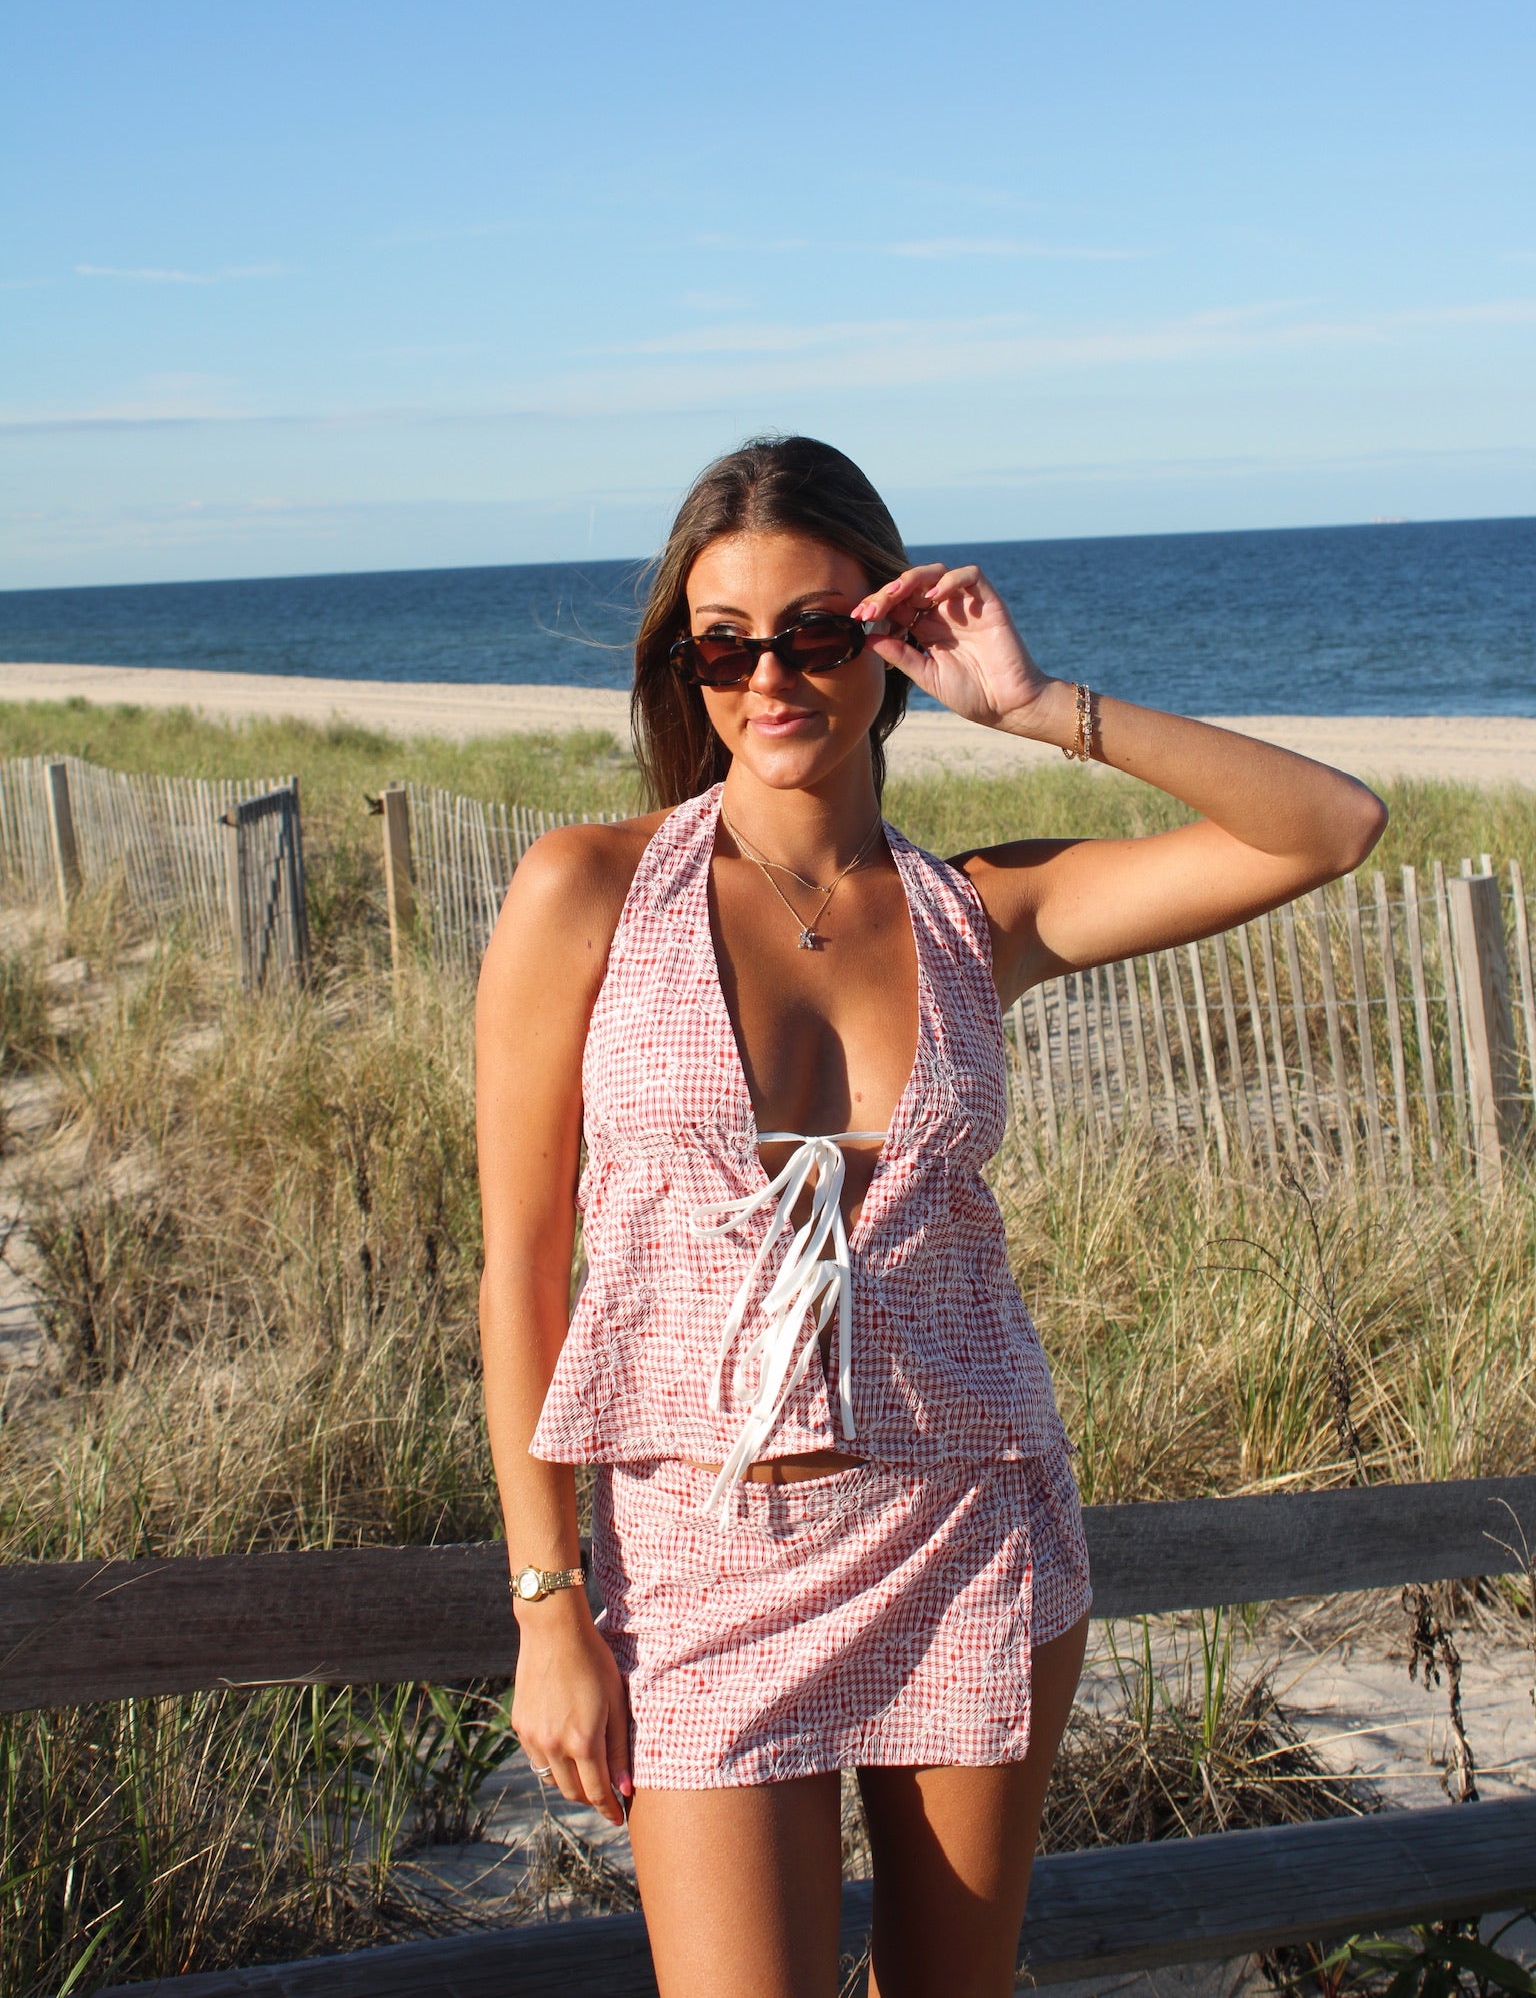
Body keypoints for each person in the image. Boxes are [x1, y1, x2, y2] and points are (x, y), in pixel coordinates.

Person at [476, 436, 1385, 1998]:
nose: (771, 678)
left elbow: (1330, 827)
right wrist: (548, 1604)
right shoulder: (588, 892)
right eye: (725, 645)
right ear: (686, 667)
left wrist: (1038, 707)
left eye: (817, 634)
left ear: (885, 638)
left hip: (968, 1535)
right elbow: (520, 1270)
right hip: (698, 1562)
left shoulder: (981, 910)